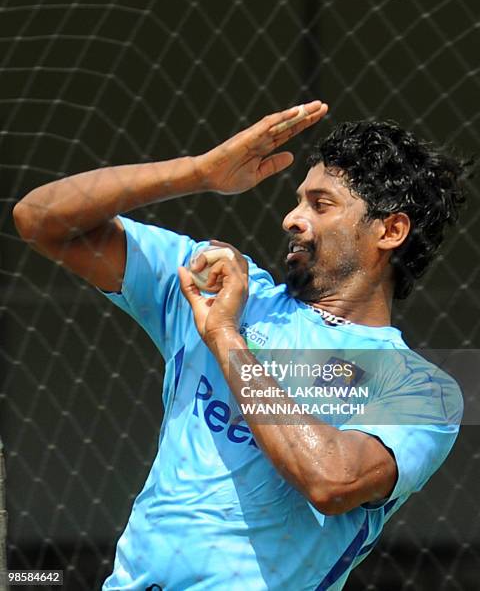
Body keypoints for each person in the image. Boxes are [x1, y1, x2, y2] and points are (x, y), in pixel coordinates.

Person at [13, 100, 468, 590]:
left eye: (320, 204)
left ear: (390, 231)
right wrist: (197, 172)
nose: (291, 218)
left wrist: (226, 339)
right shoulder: (217, 286)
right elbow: (39, 220)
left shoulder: (423, 389)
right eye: (297, 200)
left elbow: (331, 479)